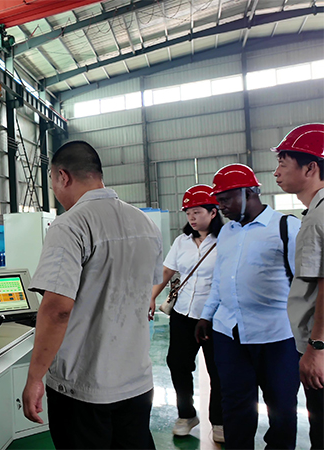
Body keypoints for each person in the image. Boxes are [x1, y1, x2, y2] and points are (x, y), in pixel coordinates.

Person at [22, 140, 163, 449]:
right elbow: (145, 290)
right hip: (137, 383)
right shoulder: (146, 224)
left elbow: (58, 309)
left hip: (83, 388)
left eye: (53, 182)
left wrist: (34, 378)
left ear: (63, 176)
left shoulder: (70, 224)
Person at [194, 163, 301, 449]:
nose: (221, 206)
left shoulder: (285, 227)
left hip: (276, 336)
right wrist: (207, 315)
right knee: (235, 407)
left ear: (250, 193)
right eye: (219, 199)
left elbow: (305, 285)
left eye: (227, 198)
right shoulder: (227, 232)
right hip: (229, 333)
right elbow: (220, 278)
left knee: (281, 407)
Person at [150, 185, 225, 442]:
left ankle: (219, 420)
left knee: (217, 369)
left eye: (197, 212)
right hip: (183, 314)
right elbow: (167, 271)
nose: (191, 218)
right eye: (188, 213)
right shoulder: (182, 241)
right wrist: (151, 296)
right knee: (177, 363)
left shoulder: (226, 239)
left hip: (214, 317)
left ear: (213, 212)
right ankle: (186, 414)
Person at [272, 123, 324, 450]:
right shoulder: (314, 212)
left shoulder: (319, 216)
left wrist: (316, 347)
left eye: (283, 163)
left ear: (310, 168)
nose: (276, 172)